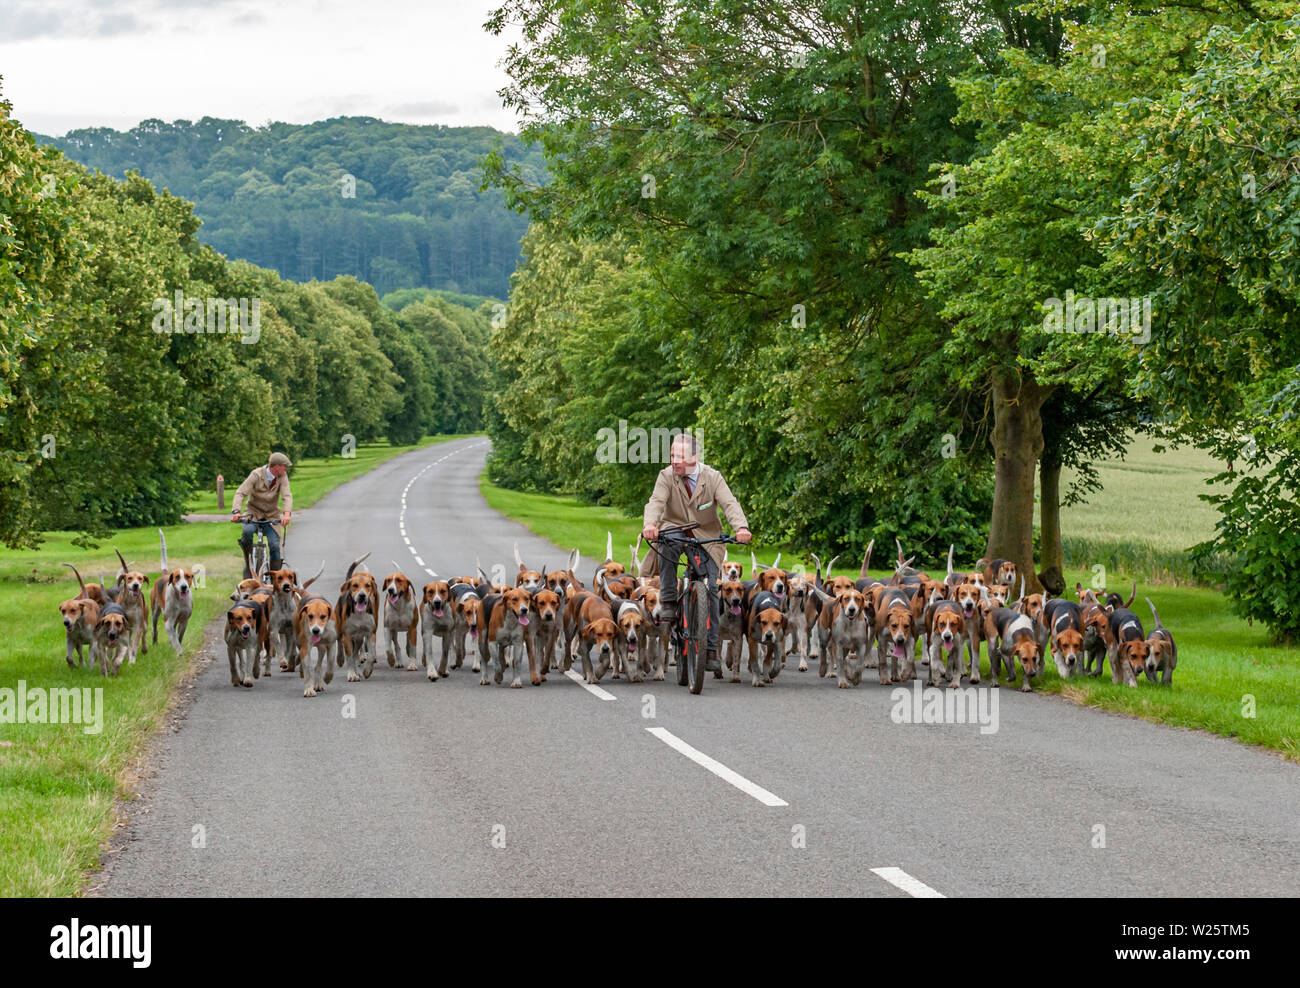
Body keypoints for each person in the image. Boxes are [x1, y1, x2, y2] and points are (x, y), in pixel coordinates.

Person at [641, 434, 751, 672]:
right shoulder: (666, 476)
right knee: (668, 541)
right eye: (671, 456)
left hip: (706, 537)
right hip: (675, 528)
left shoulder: (712, 478)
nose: (674, 461)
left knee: (711, 587)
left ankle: (711, 649)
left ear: (694, 457)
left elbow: (729, 503)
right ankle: (669, 599)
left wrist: (741, 528)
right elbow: (656, 502)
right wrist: (650, 524)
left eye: (679, 456)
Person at [230, 452, 293, 578]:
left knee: (274, 546)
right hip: (253, 512)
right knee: (247, 533)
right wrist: (236, 511)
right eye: (284, 466)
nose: (286, 469)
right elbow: (241, 492)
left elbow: (286, 495)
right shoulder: (256, 474)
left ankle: (275, 577)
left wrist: (286, 514)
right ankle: (248, 564)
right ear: (276, 466)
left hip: (271, 515)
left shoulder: (282, 476)